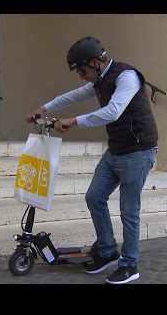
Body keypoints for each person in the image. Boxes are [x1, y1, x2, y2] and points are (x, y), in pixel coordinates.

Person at [26, 37, 159, 284]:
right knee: (94, 196)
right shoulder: (99, 80)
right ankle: (107, 251)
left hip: (138, 152)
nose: (80, 76)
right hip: (116, 150)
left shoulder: (126, 77)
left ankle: (130, 265)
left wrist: (74, 121)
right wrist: (43, 108)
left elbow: (113, 111)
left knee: (129, 211)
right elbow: (73, 96)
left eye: (82, 70)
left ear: (96, 63)